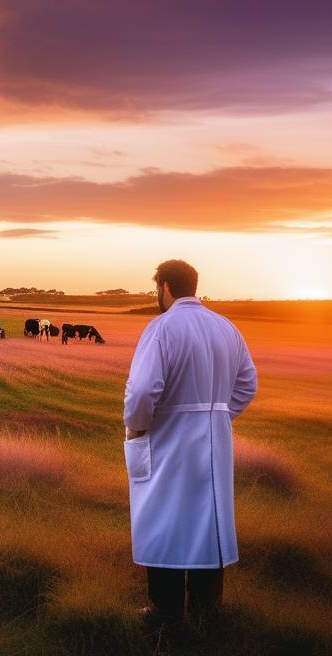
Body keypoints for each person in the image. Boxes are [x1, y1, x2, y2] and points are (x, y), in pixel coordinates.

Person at [123, 259, 258, 628]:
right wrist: (217, 417)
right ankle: (206, 607)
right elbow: (248, 384)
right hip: (215, 439)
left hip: (169, 438)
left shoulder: (162, 328)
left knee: (164, 516)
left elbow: (142, 391)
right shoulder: (226, 327)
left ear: (165, 286)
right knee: (209, 518)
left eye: (156, 289)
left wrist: (136, 429)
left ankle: (164, 609)